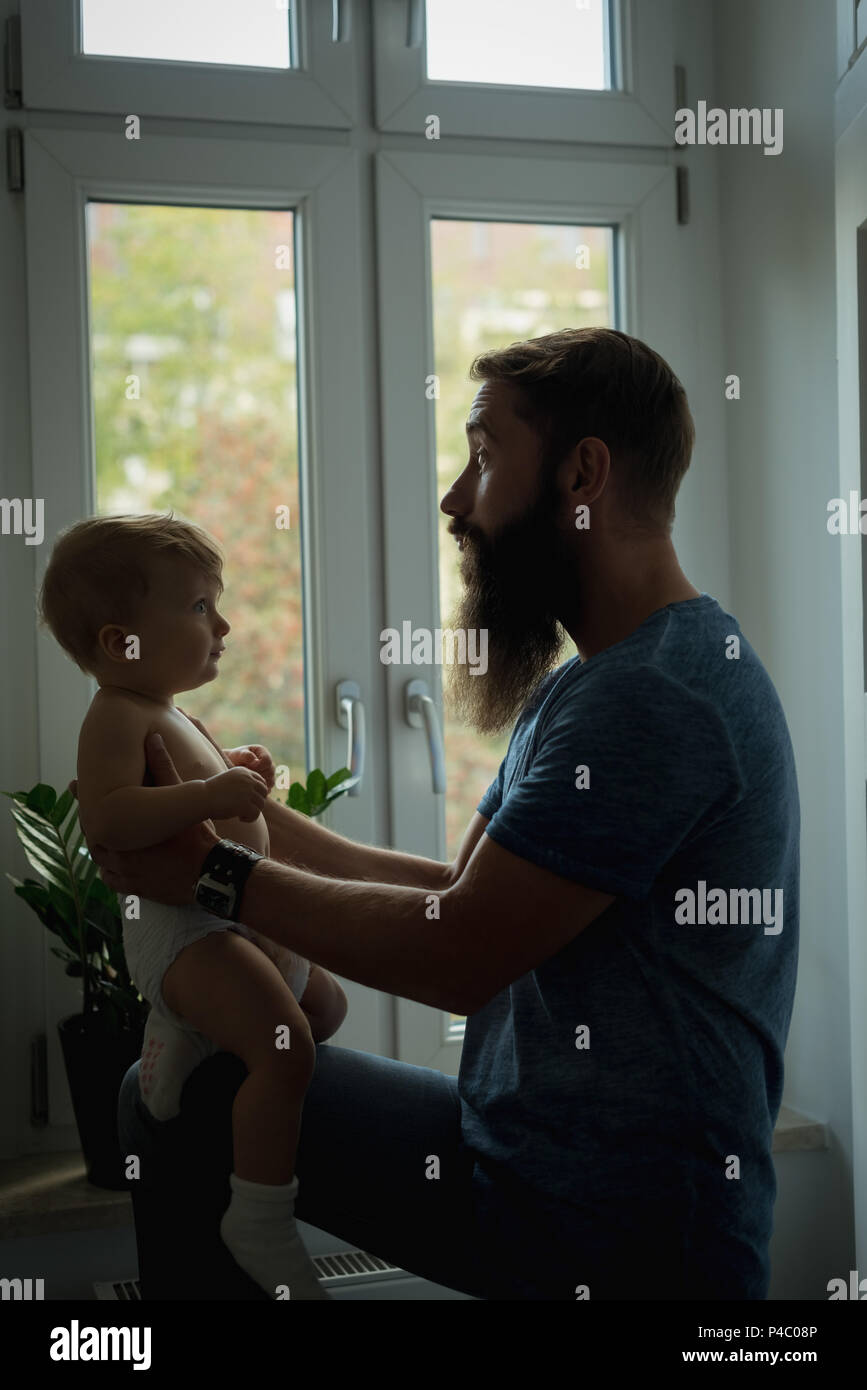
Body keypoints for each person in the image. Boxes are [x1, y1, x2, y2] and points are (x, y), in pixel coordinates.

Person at [91, 327, 800, 1300]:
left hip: (614, 1228)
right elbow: (454, 892)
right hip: (511, 1151)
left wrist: (208, 873)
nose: (455, 499)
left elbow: (458, 952)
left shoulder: (657, 699)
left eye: (485, 455)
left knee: (171, 1099)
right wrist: (224, 798)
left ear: (582, 472)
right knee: (163, 1094)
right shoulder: (590, 683)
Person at [38, 514, 347, 1300]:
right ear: (121, 642)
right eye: (200, 607)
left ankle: (193, 1041)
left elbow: (191, 794)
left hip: (236, 920)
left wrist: (231, 763)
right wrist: (211, 790)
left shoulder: (170, 711)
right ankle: (260, 1216)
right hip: (186, 933)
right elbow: (108, 818)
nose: (225, 624)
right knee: (287, 1052)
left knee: (328, 1008)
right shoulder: (115, 715)